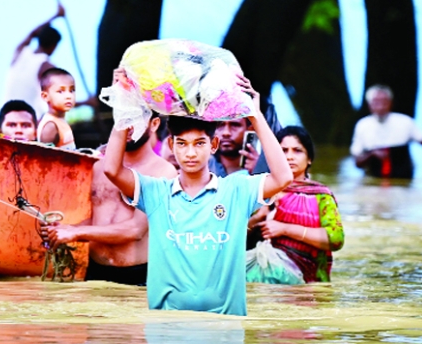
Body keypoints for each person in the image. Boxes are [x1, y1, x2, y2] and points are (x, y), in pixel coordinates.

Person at [102, 72, 292, 315]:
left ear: (213, 146)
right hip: (166, 329)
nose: (190, 153)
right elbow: (111, 169)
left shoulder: (236, 189)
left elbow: (283, 177)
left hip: (225, 328)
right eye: (182, 143)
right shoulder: (157, 192)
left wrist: (254, 116)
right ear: (171, 146)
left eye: (199, 143)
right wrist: (123, 101)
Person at [41, 112, 178, 286]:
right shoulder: (98, 167)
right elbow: (97, 220)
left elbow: (135, 230)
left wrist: (75, 232)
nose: (127, 128)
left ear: (154, 124)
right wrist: (63, 230)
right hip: (96, 270)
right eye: (123, 119)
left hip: (137, 275)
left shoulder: (163, 172)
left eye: (135, 119)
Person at [247, 126, 344, 284]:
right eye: (283, 150)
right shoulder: (260, 191)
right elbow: (231, 237)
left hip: (308, 286)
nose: (289, 157)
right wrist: (258, 217)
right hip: (263, 279)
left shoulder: (320, 195)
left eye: (297, 150)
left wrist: (285, 229)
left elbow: (335, 239)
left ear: (309, 158)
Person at [350, 84, 422, 178]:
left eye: (384, 102)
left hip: (403, 176)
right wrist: (372, 154)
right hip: (374, 178)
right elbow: (357, 163)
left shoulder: (405, 122)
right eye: (376, 102)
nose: (381, 107)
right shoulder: (362, 125)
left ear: (391, 103)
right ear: (369, 105)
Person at [3, 5, 65, 120]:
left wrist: (55, 16)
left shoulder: (20, 53)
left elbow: (32, 33)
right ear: (54, 46)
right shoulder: (46, 66)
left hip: (5, 117)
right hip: (28, 121)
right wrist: (87, 102)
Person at [37, 67, 77, 150]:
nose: (68, 96)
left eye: (72, 90)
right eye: (60, 91)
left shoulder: (60, 120)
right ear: (45, 96)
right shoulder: (51, 126)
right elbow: (44, 159)